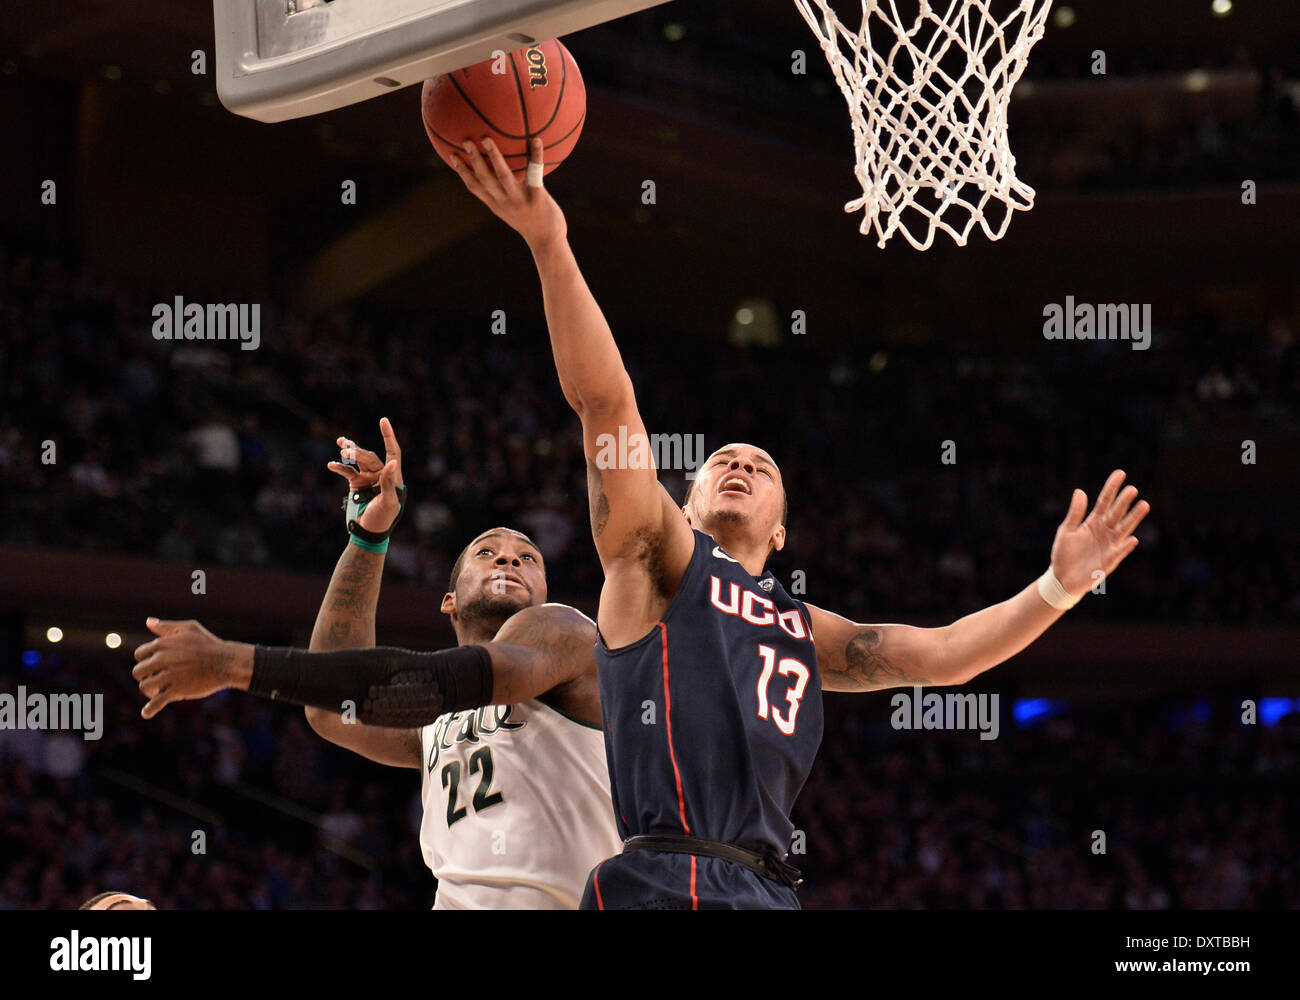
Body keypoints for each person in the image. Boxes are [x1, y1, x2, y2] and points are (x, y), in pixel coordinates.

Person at [448, 136, 1152, 909]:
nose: (742, 465)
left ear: (782, 531)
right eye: (722, 460)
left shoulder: (801, 625)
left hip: (766, 889)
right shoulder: (653, 561)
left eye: (763, 466)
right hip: (663, 873)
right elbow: (606, 403)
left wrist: (1059, 584)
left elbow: (947, 657)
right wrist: (551, 241)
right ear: (684, 504)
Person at [132, 420, 619, 909]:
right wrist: (368, 537)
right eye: (487, 553)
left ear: (545, 596)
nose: (508, 561)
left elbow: (425, 681)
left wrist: (230, 662)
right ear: (448, 601)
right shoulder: (440, 721)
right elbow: (332, 707)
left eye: (527, 558)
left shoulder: (565, 632)